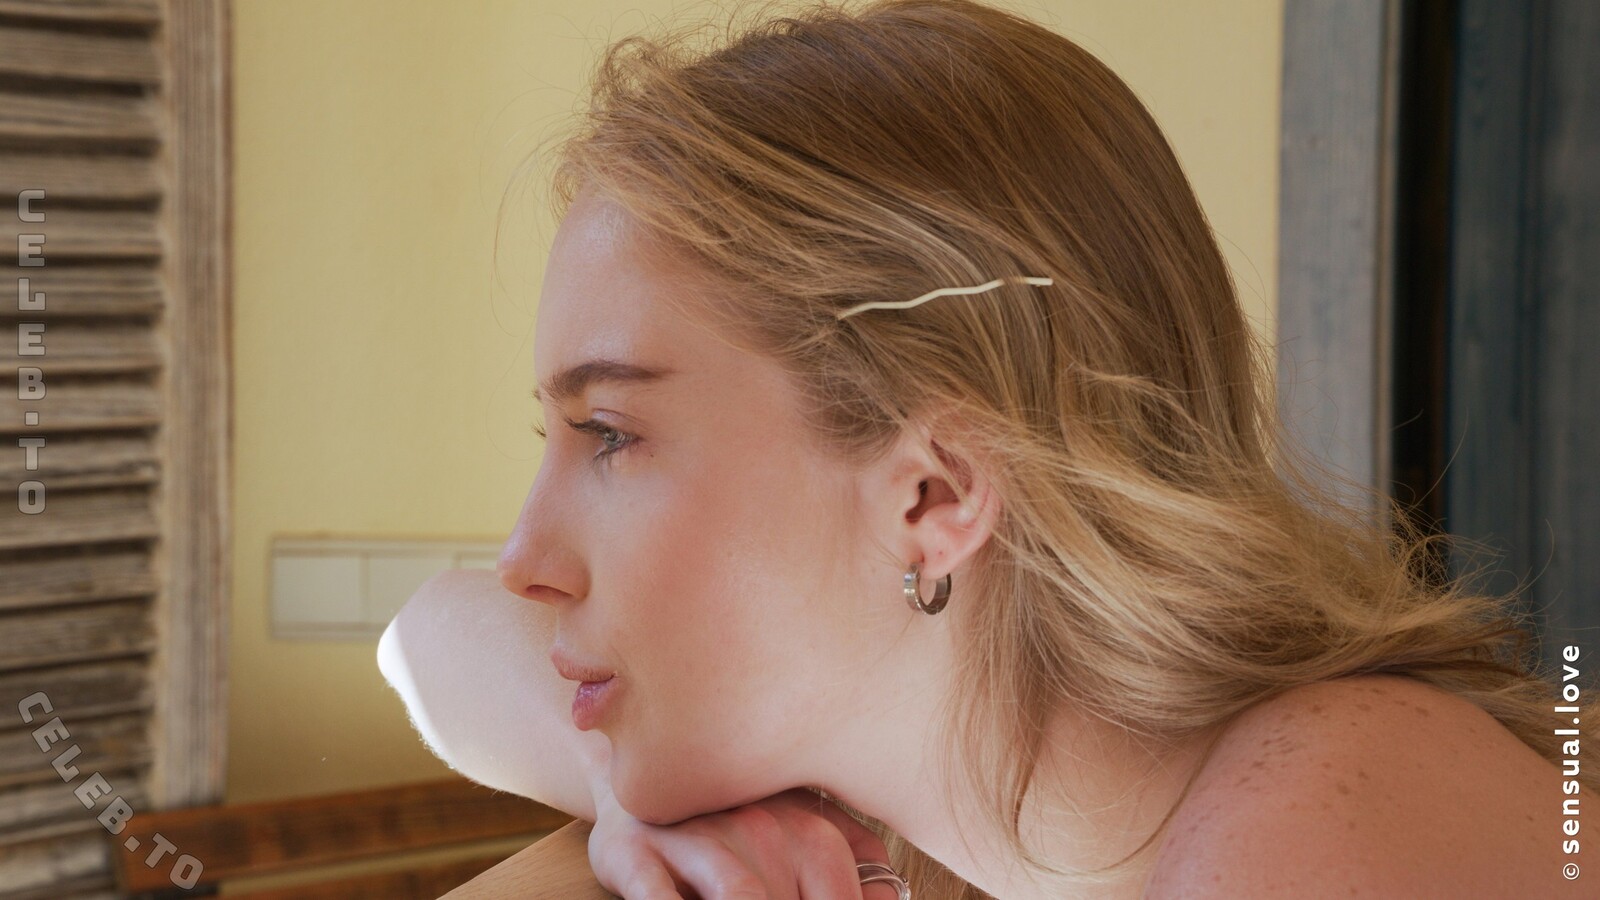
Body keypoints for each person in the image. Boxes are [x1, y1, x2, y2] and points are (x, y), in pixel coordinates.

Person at [378, 0, 1600, 896]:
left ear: (933, 493)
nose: (526, 559)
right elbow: (428, 642)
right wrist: (618, 781)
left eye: (610, 436)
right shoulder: (950, 794)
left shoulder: (1302, 835)